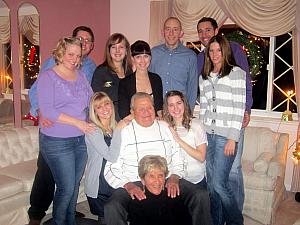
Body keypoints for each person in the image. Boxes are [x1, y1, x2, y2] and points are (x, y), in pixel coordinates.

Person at [104, 92, 213, 225]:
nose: (147, 112)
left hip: (165, 178)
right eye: (141, 109)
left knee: (200, 195)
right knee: (112, 207)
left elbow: (178, 157)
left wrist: (175, 176)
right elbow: (110, 168)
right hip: (134, 181)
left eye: (149, 107)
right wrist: (128, 185)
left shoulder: (165, 127)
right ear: (132, 111)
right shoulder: (123, 132)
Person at [27, 26, 96, 225]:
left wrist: (100, 116)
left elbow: (91, 101)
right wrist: (79, 123)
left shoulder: (81, 76)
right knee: (66, 187)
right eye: (71, 54)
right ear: (60, 53)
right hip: (57, 141)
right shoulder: (49, 76)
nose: (75, 59)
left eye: (78, 55)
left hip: (79, 140)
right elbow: (48, 111)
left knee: (73, 186)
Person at [197, 17, 253, 211]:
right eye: (200, 31)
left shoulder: (235, 60)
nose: (204, 34)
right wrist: (200, 129)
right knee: (212, 183)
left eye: (207, 30)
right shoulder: (202, 67)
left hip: (229, 130)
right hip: (210, 132)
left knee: (229, 175)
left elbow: (241, 96)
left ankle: (235, 217)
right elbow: (204, 101)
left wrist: (234, 134)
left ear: (216, 30)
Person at [85, 92, 132, 223]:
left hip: (115, 177)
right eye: (99, 107)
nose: (105, 109)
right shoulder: (93, 130)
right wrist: (119, 130)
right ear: (94, 111)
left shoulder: (113, 126)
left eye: (107, 104)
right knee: (106, 217)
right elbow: (111, 156)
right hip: (100, 183)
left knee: (118, 215)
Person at [149, 17, 198, 111]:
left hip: (179, 111)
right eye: (168, 29)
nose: (171, 33)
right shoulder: (153, 53)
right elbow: (147, 81)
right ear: (162, 32)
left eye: (175, 29)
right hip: (158, 110)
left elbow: (192, 87)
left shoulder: (190, 56)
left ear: (181, 33)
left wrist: (189, 112)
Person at [162, 90, 207, 188]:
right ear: (167, 108)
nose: (176, 108)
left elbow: (201, 157)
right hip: (173, 181)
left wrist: (178, 140)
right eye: (171, 105)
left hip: (195, 180)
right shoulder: (164, 126)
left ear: (184, 104)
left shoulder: (196, 125)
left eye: (179, 103)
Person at [128, 155, 189, 225]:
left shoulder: (174, 196)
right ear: (143, 180)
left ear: (165, 178)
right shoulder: (136, 204)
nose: (157, 181)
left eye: (160, 176)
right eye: (152, 176)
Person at [91, 33, 132, 121]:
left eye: (121, 47)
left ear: (126, 51)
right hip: (108, 119)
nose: (117, 51)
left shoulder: (130, 72)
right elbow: (95, 98)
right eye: (113, 47)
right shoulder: (101, 71)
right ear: (109, 50)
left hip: (127, 118)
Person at [118, 40, 163, 119]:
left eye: (146, 56)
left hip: (154, 124)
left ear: (150, 58)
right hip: (133, 125)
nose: (142, 61)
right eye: (138, 57)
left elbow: (159, 109)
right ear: (132, 58)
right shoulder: (125, 83)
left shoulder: (156, 79)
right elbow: (124, 113)